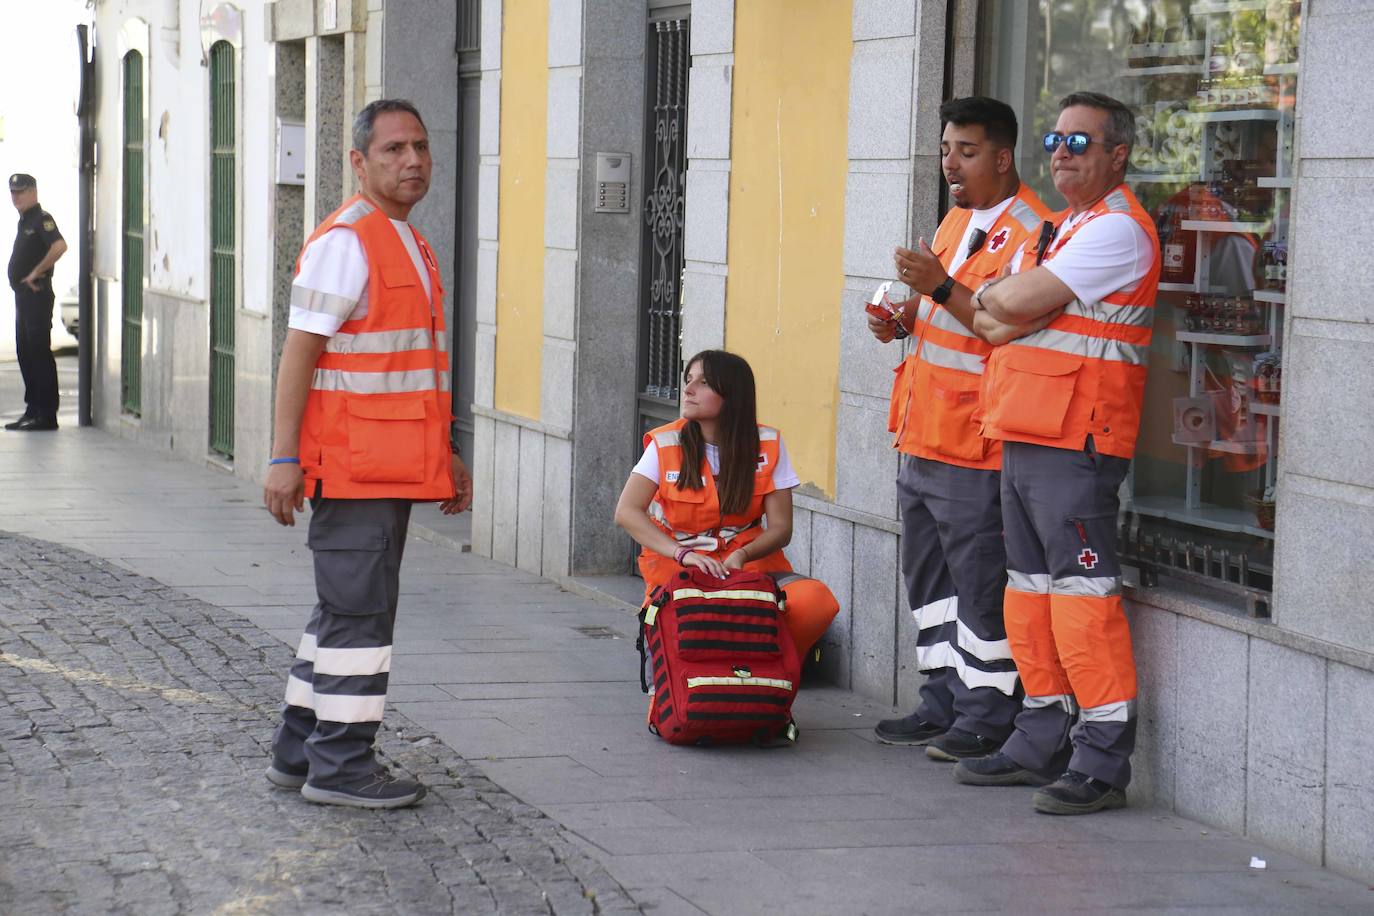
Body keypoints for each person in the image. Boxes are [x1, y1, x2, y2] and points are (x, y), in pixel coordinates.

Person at [953, 91, 1162, 816]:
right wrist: (1005, 303)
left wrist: (1007, 302)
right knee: (1030, 593)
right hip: (1027, 430)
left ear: (1116, 154)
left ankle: (1102, 761)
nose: (1063, 153)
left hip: (1080, 440)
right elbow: (989, 318)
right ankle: (1039, 734)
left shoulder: (1117, 232)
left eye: (1080, 141)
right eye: (1056, 139)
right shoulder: (1065, 227)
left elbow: (1006, 307)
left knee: (1083, 601)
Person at [262, 99, 472, 809]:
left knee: (340, 614)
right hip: (355, 469)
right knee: (358, 618)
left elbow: (410, 370)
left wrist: (446, 453)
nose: (412, 160)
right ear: (358, 162)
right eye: (392, 150)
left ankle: (299, 751)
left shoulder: (404, 238)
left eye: (420, 146)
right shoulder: (349, 240)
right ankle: (342, 767)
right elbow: (300, 352)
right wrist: (282, 456)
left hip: (387, 465)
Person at [867, 98, 1054, 763]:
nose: (951, 162)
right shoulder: (955, 219)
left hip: (978, 440)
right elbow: (939, 316)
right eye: (947, 148)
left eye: (966, 150)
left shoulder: (1034, 230)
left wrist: (939, 286)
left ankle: (988, 714)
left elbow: (998, 324)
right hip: (922, 432)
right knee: (932, 585)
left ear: (1002, 157)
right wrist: (898, 316)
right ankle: (942, 699)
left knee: (979, 587)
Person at [614, 349, 839, 659]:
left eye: (703, 382)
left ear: (732, 394)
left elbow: (781, 528)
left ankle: (771, 679)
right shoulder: (666, 443)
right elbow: (626, 512)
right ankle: (693, 689)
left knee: (815, 602)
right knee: (688, 621)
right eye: (688, 379)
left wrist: (741, 556)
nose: (689, 389)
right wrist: (684, 554)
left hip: (749, 564)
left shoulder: (768, 443)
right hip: (678, 566)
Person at [7, 173, 67, 431]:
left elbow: (59, 247)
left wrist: (35, 271)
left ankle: (46, 414)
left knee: (39, 352)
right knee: (25, 352)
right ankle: (32, 409)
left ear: (33, 192)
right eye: (13, 192)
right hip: (24, 298)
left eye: (21, 191)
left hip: (37, 295)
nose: (16, 197)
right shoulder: (24, 221)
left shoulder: (42, 220)